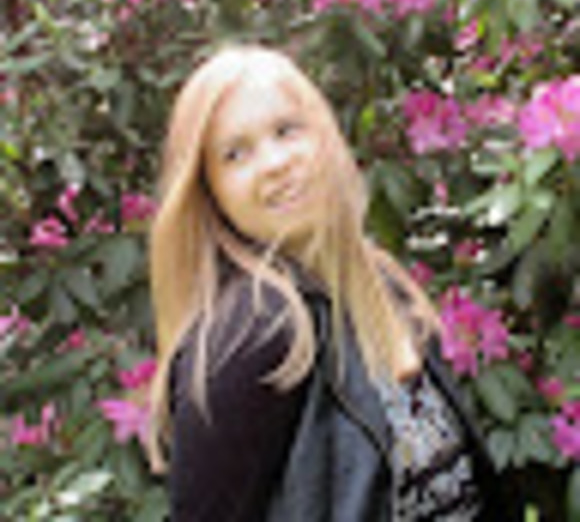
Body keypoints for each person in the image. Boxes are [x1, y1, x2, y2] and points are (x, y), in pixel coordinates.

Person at [147, 44, 521, 521]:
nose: (275, 162)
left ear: (324, 134)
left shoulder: (378, 279)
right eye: (235, 154)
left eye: (287, 130)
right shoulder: (253, 330)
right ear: (210, 191)